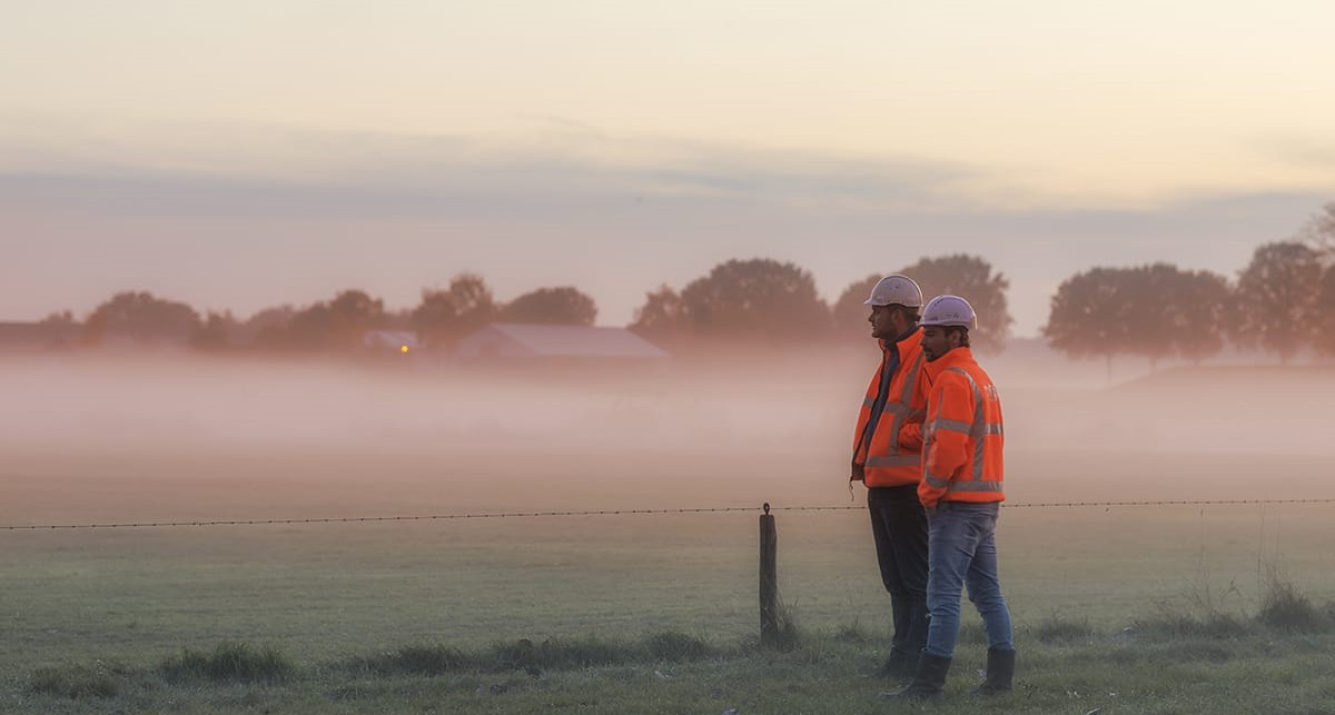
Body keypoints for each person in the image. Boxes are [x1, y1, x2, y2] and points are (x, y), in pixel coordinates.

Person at [889, 294, 1015, 701]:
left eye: (933, 333)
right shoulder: (980, 377)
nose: (924, 340)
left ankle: (928, 685)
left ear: (957, 335)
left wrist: (929, 492)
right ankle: (1000, 679)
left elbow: (949, 447)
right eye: (924, 331)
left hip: (957, 504)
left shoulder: (951, 380)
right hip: (986, 502)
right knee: (987, 593)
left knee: (941, 596)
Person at [849, 275, 932, 680]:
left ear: (896, 314)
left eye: (876, 311)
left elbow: (944, 419)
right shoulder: (893, 355)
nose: (870, 318)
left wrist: (904, 437)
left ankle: (917, 660)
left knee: (916, 582)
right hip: (882, 486)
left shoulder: (924, 357)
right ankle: (901, 657)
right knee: (895, 581)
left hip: (907, 488)